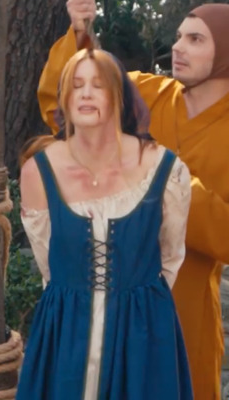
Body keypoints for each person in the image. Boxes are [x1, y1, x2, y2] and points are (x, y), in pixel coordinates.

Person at [37, 2, 229, 397]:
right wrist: (80, 34)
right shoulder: (145, 93)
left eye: (195, 39)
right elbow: (65, 105)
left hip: (185, 308)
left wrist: (165, 184)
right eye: (179, 36)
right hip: (105, 302)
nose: (178, 47)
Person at [16, 48, 192, 399]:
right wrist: (82, 297)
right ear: (64, 98)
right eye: (76, 85)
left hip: (143, 330)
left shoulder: (165, 169)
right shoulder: (38, 171)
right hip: (65, 330)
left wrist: (132, 301)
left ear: (119, 97)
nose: (85, 94)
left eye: (98, 85)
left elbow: (170, 255)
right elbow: (50, 263)